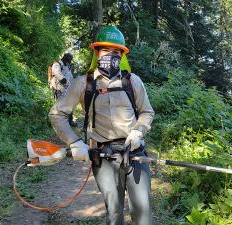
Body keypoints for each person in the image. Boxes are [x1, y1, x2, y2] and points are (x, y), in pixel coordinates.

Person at [49, 26, 155, 225]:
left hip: (135, 153)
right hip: (103, 156)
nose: (111, 55)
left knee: (143, 213)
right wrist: (74, 142)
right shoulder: (83, 84)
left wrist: (139, 131)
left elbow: (147, 112)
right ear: (97, 52)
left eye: (116, 52)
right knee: (114, 213)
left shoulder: (133, 81)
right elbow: (57, 114)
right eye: (106, 51)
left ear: (122, 55)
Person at [49, 53, 77, 127]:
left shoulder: (67, 66)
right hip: (59, 88)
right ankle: (56, 122)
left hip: (67, 89)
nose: (70, 61)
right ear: (65, 57)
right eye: (70, 59)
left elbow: (70, 77)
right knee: (59, 105)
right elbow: (57, 73)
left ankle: (69, 121)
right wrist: (63, 79)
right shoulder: (57, 64)